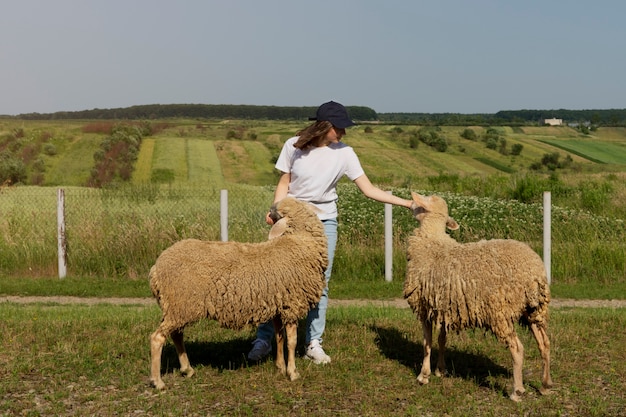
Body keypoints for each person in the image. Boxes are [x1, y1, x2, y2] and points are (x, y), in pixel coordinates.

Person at [248, 100, 414, 364]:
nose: (343, 133)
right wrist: (275, 209)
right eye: (339, 128)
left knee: (320, 283)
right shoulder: (293, 146)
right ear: (324, 126)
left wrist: (408, 203)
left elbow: (368, 190)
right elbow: (284, 183)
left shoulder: (345, 153)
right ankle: (263, 339)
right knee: (276, 279)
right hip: (291, 221)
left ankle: (313, 342)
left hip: (325, 224)